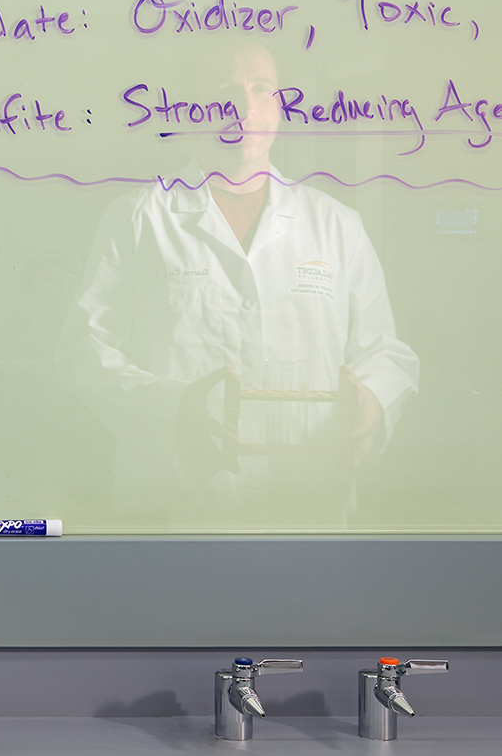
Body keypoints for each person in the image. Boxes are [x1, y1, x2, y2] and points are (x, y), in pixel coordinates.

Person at [55, 38, 418, 522]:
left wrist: (372, 400)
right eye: (224, 88)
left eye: (261, 87)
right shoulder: (138, 219)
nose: (244, 106)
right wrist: (172, 408)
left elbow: (384, 351)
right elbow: (85, 351)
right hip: (175, 511)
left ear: (281, 105)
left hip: (307, 508)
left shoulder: (337, 226)